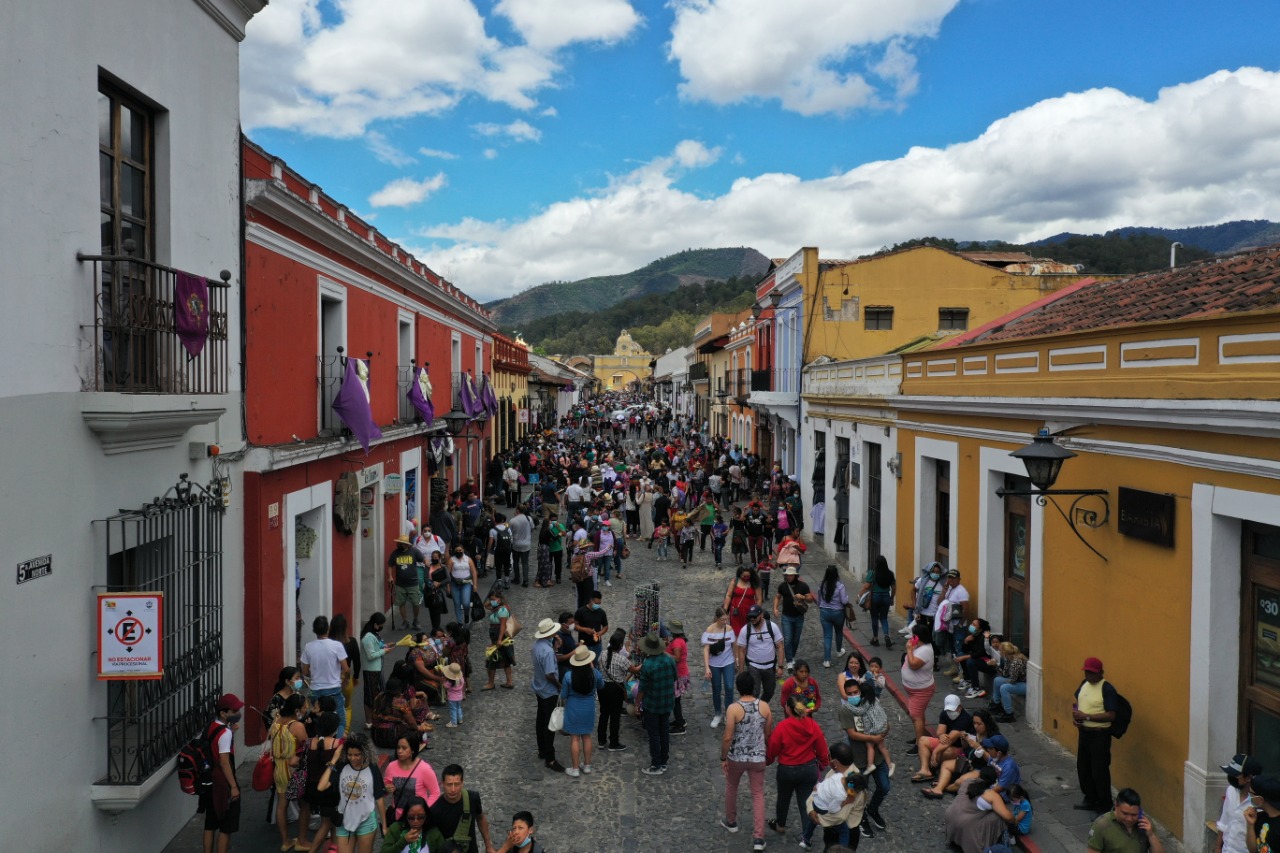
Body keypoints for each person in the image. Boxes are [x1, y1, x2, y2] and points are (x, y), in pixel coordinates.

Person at [721, 671, 774, 852]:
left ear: (738, 688)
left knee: (731, 787)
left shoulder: (733, 709)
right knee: (758, 794)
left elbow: (728, 737)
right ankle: (759, 837)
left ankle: (731, 821)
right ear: (754, 687)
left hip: (737, 757)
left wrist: (723, 757)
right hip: (757, 757)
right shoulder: (765, 707)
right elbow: (767, 733)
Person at [766, 694, 830, 842]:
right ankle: (806, 836)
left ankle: (780, 825)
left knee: (783, 798)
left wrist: (768, 761)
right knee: (806, 802)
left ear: (788, 709)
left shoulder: (782, 727)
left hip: (787, 770)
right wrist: (823, 764)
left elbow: (773, 748)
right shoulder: (813, 725)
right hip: (808, 770)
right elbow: (822, 749)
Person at [315, 733, 387, 853]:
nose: (353, 758)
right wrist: (334, 760)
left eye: (357, 755)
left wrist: (384, 825)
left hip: (366, 821)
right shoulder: (341, 766)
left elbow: (379, 798)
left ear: (365, 753)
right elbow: (321, 787)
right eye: (350, 755)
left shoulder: (372, 768)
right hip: (344, 821)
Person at [1074, 656, 1121, 813]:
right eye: (1087, 672)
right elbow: (1079, 702)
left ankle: (1104, 804)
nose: (1089, 676)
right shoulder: (1084, 684)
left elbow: (1111, 715)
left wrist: (1087, 717)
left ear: (1100, 672)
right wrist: (1077, 717)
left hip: (1100, 735)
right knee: (1083, 767)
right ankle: (1090, 798)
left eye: (1092, 673)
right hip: (1084, 733)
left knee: (1099, 771)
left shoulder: (1107, 689)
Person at [803, 743, 868, 850]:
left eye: (829, 756)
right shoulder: (835, 773)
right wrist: (811, 809)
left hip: (845, 834)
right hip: (831, 830)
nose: (827, 758)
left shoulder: (854, 786)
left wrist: (816, 815)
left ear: (835, 762)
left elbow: (839, 816)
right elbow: (820, 791)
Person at [201, 694, 243, 853]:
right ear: (223, 713)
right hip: (222, 782)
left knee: (210, 823)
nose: (238, 713)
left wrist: (231, 732)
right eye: (234, 711)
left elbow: (215, 746)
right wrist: (233, 786)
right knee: (226, 827)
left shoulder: (212, 726)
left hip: (210, 780)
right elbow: (224, 762)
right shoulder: (225, 733)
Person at [270, 694, 310, 850]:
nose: (306, 709)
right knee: (304, 804)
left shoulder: (276, 721)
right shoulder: (297, 726)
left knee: (282, 805)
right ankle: (302, 841)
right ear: (296, 710)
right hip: (293, 769)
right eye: (304, 707)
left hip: (279, 768)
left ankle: (285, 841)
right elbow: (305, 745)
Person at [944, 766, 1014, 853]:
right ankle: (1003, 846)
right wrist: (1015, 821)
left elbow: (958, 782)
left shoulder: (967, 782)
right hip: (964, 825)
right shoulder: (991, 795)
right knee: (999, 816)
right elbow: (1008, 817)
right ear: (994, 782)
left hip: (950, 818)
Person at [428, 764, 496, 853]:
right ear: (442, 784)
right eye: (449, 784)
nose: (453, 789)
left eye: (456, 784)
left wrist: (488, 846)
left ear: (462, 783)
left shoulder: (473, 798)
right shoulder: (435, 810)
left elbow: (480, 818)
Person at [302, 616, 350, 738]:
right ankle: (335, 744)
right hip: (334, 690)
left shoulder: (308, 647)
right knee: (340, 721)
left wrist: (314, 673)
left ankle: (320, 741)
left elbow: (305, 671)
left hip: (315, 691)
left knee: (319, 719)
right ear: (328, 629)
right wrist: (346, 680)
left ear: (314, 630)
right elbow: (346, 669)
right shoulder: (337, 645)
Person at [300, 711, 342, 853]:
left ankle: (334, 846)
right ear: (335, 728)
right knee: (326, 824)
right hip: (329, 789)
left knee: (331, 818)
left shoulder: (309, 742)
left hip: (310, 787)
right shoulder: (338, 744)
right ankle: (313, 850)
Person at [560, 645, 605, 777]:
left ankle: (574, 768)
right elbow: (601, 686)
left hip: (573, 708)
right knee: (587, 737)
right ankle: (587, 766)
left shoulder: (569, 676)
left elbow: (563, 695)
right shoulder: (595, 674)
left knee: (574, 738)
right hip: (588, 707)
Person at [637, 631, 677, 775]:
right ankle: (664, 761)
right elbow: (674, 677)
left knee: (654, 734)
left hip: (652, 705)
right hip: (667, 702)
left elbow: (642, 689)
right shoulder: (669, 660)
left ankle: (656, 764)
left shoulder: (647, 665)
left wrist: (637, 703)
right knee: (664, 732)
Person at [531, 618, 567, 773]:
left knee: (541, 719)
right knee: (549, 724)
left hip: (539, 687)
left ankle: (542, 750)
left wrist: (555, 647)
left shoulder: (537, 646)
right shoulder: (547, 651)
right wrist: (559, 686)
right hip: (548, 690)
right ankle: (550, 759)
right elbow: (549, 674)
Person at [382, 732, 440, 821]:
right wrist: (386, 789)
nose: (400, 751)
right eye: (398, 747)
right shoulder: (391, 767)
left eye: (404, 748)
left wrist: (424, 810)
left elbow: (435, 793)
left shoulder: (424, 769)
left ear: (412, 749)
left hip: (417, 820)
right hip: (397, 818)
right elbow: (383, 791)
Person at [840, 679, 890, 781]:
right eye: (849, 694)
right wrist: (874, 738)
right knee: (861, 786)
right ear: (845, 694)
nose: (853, 695)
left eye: (855, 692)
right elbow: (852, 734)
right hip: (859, 758)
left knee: (884, 786)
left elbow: (885, 722)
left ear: (860, 691)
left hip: (878, 757)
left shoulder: (870, 702)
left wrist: (882, 733)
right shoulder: (845, 710)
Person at [1087, 787, 1167, 853]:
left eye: (1134, 815)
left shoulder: (1145, 823)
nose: (1129, 819)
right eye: (1125, 813)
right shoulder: (1101, 826)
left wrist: (1151, 835)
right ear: (1116, 806)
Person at [736, 604, 785, 704]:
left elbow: (780, 647)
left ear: (761, 615)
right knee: (754, 692)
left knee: (769, 691)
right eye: (750, 616)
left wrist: (780, 666)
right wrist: (741, 671)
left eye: (754, 616)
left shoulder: (772, 627)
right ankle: (755, 709)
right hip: (753, 666)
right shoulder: (745, 630)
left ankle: (760, 706)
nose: (752, 619)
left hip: (770, 666)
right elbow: (741, 651)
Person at [1217, 753, 1263, 853]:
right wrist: (1218, 848)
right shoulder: (1231, 791)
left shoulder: (1259, 803)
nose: (1231, 777)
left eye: (1236, 775)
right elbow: (1224, 821)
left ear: (1248, 778)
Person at [901, 621, 936, 746]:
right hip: (914, 688)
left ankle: (919, 744)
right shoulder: (919, 646)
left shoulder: (925, 650)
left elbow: (913, 665)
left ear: (918, 637)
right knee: (918, 715)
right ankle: (920, 736)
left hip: (921, 690)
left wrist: (909, 649)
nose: (911, 637)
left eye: (913, 635)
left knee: (916, 716)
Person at [702, 607, 737, 729]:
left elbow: (733, 645)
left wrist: (736, 660)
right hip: (714, 664)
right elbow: (706, 649)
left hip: (728, 662)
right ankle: (717, 714)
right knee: (716, 689)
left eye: (726, 619)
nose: (725, 622)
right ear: (717, 618)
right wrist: (707, 667)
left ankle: (728, 713)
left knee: (729, 687)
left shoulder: (729, 629)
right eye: (722, 619)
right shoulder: (710, 630)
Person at [599, 627, 631, 752]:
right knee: (615, 716)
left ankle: (601, 740)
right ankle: (613, 742)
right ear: (620, 646)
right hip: (616, 690)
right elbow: (633, 670)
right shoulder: (621, 659)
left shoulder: (602, 654)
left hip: (603, 688)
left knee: (604, 713)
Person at [359, 613, 395, 724]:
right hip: (371, 670)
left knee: (376, 694)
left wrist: (385, 646)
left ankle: (374, 718)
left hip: (376, 669)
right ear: (375, 624)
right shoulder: (368, 637)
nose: (381, 626)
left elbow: (377, 647)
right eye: (380, 625)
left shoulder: (373, 635)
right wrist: (384, 651)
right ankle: (369, 721)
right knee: (370, 697)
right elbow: (371, 655)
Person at [774, 565, 811, 670]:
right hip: (786, 616)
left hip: (799, 616)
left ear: (795, 575)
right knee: (788, 639)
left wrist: (803, 597)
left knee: (796, 639)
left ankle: (792, 656)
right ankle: (789, 660)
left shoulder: (803, 586)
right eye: (787, 575)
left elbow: (810, 599)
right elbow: (777, 597)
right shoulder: (783, 586)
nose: (789, 577)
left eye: (790, 575)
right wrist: (775, 608)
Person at [814, 565, 850, 668]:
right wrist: (847, 597)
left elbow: (819, 601)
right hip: (838, 612)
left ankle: (827, 660)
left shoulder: (821, 585)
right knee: (838, 632)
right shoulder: (840, 586)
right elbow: (844, 601)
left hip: (825, 612)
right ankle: (838, 651)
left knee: (827, 636)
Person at [330, 614, 360, 735]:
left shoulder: (329, 643)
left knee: (331, 705)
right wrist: (356, 677)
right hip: (346, 677)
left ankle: (332, 729)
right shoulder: (351, 642)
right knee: (346, 706)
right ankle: (344, 732)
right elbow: (357, 662)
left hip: (331, 677)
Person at [388, 535, 424, 630]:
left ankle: (415, 620)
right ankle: (405, 621)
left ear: (407, 544)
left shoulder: (414, 551)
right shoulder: (395, 553)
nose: (399, 545)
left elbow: (422, 559)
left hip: (413, 583)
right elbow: (390, 565)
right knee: (401, 603)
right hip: (400, 584)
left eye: (402, 543)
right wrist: (390, 576)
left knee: (416, 603)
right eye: (399, 543)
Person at [482, 588, 515, 690]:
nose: (491, 601)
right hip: (496, 636)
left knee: (492, 658)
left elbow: (503, 626)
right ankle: (509, 681)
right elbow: (485, 605)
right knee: (505, 659)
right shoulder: (496, 608)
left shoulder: (502, 610)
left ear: (500, 599)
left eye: (493, 599)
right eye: (491, 599)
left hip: (500, 637)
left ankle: (491, 683)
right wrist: (493, 600)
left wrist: (499, 640)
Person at [990, 641, 1028, 723]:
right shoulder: (1008, 659)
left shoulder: (1016, 662)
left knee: (1004, 688)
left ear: (1004, 652)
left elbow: (1013, 680)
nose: (999, 652)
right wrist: (996, 665)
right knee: (997, 680)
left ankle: (1009, 714)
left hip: (1026, 684)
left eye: (1000, 650)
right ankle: (996, 705)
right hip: (1017, 681)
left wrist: (1005, 681)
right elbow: (1005, 674)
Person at [863, 555, 895, 649]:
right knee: (884, 618)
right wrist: (892, 598)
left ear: (876, 564)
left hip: (875, 597)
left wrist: (861, 595)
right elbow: (894, 588)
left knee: (874, 617)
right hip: (886, 597)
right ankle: (886, 636)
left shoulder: (873, 573)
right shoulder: (890, 574)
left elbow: (867, 586)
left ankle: (875, 638)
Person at [667, 619, 692, 735]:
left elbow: (676, 658)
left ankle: (680, 726)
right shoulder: (679, 640)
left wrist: (664, 652)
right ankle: (680, 720)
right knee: (676, 700)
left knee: (675, 701)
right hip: (681, 672)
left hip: (678, 674)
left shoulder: (677, 642)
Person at [262, 665, 304, 732]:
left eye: (300, 678)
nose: (300, 680)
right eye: (297, 678)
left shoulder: (298, 695)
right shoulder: (276, 700)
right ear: (287, 681)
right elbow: (272, 724)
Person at [725, 566, 762, 638]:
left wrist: (757, 612)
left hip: (750, 611)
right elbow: (728, 595)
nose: (746, 578)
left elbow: (759, 599)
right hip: (736, 611)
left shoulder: (754, 582)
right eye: (744, 576)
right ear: (740, 574)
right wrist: (725, 610)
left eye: (748, 576)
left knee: (749, 630)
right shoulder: (735, 581)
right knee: (736, 632)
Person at [1247, 775, 1280, 853]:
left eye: (1251, 794)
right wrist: (1250, 825)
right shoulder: (1259, 817)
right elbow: (1253, 850)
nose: (1249, 797)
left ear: (1260, 799)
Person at [447, 545, 479, 625]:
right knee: (457, 603)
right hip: (455, 584)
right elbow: (448, 574)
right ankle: (460, 622)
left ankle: (466, 614)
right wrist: (448, 586)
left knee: (466, 603)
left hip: (466, 583)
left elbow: (474, 572)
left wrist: (475, 585)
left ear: (463, 550)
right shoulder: (452, 560)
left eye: (460, 550)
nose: (459, 552)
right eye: (457, 551)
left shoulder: (468, 559)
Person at [574, 590, 609, 658]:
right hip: (584, 645)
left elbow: (606, 626)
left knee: (597, 662)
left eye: (599, 603)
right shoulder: (580, 611)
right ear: (591, 600)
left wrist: (600, 633)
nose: (597, 605)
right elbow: (575, 626)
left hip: (597, 644)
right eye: (596, 603)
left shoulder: (601, 612)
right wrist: (585, 629)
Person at [508, 505, 533, 587]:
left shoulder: (513, 520)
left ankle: (517, 578)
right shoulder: (529, 519)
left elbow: (509, 532)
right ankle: (525, 580)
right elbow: (532, 528)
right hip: (526, 544)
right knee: (525, 562)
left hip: (516, 544)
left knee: (516, 562)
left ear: (517, 510)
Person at [441, 661, 466, 728]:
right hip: (460, 697)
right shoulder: (461, 679)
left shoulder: (449, 683)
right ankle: (460, 719)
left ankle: (453, 723)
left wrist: (443, 681)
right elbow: (463, 684)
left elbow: (445, 686)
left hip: (452, 698)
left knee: (453, 710)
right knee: (459, 708)